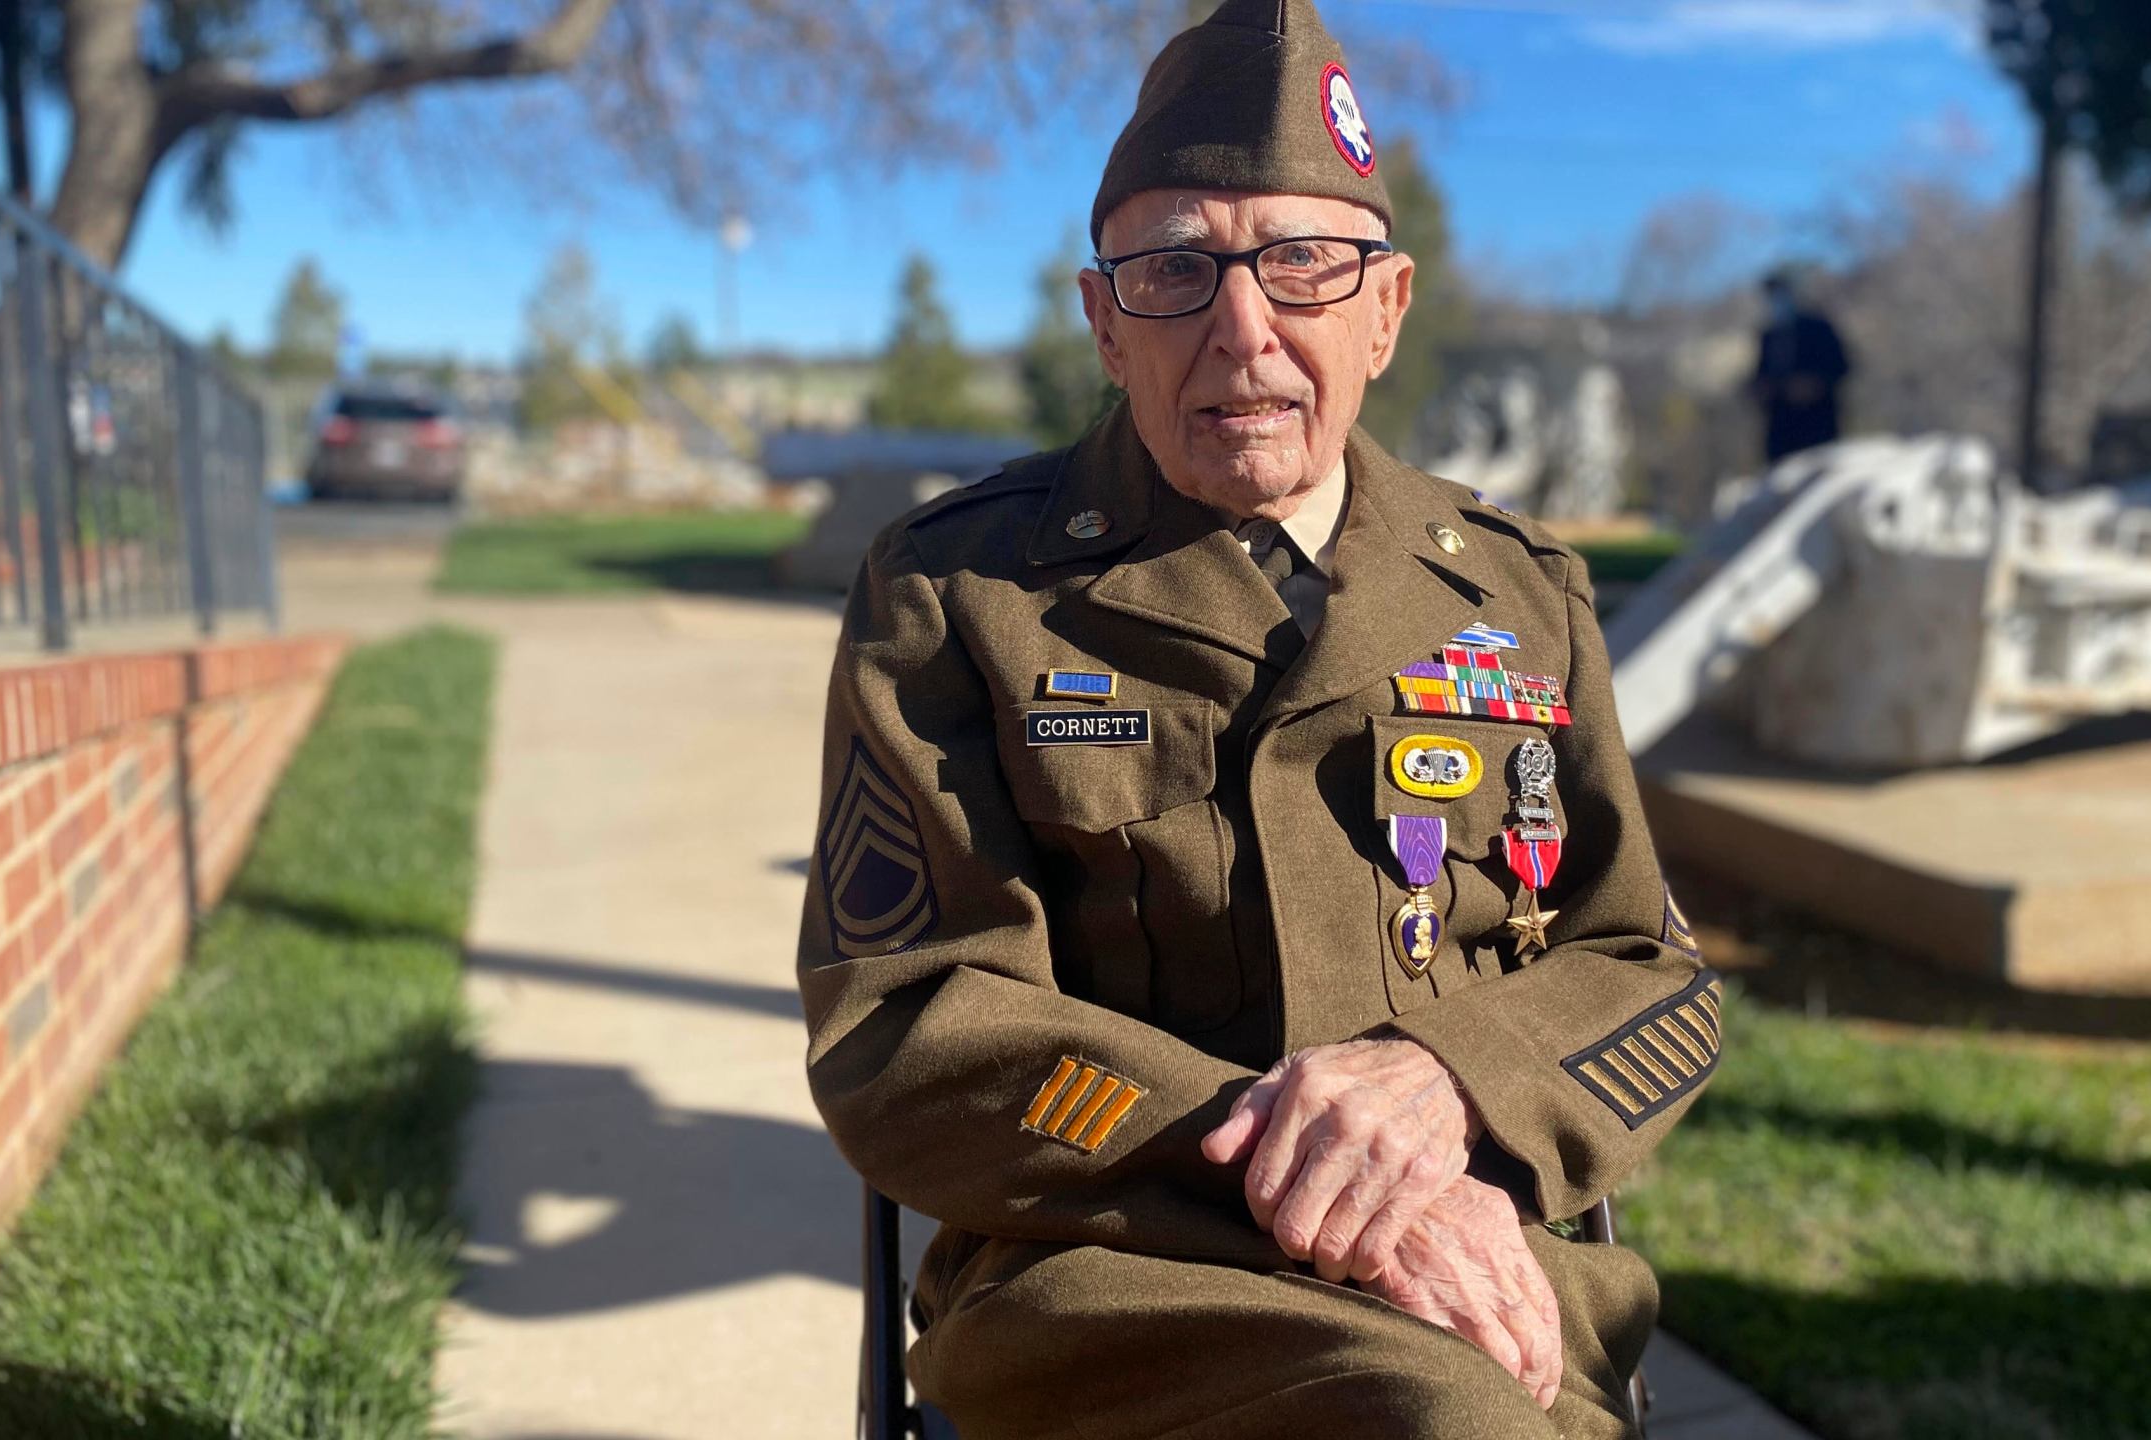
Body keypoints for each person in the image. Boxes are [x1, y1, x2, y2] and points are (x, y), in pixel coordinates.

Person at [793, 2, 1718, 1436]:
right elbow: (907, 1025)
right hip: (1113, 1271)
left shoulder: (1523, 597)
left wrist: (1445, 1085)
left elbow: (1645, 970)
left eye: (1302, 264)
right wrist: (1321, 1182)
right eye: (1174, 270)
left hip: (1492, 1259)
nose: (1243, 331)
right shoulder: (959, 591)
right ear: (1104, 323)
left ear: (1387, 309)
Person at [1749, 270, 1852, 465]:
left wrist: (1813, 384)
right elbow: (1760, 377)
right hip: (1780, 432)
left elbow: (1842, 367)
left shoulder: (1819, 329)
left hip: (1818, 427)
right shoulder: (1769, 336)